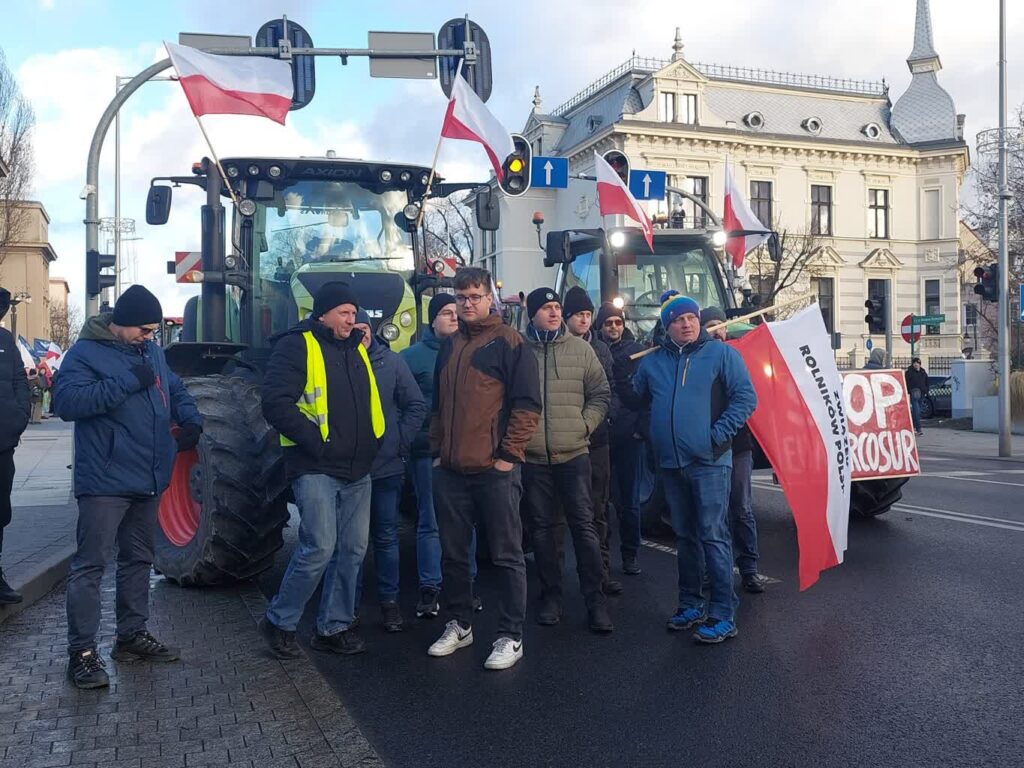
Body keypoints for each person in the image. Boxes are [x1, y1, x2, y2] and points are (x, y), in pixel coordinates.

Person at [53, 285, 203, 689]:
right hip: (104, 481)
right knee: (90, 566)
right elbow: (65, 403)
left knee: (138, 560)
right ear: (119, 323)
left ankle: (130, 636)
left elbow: (174, 387)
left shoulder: (151, 351)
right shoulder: (85, 353)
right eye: (143, 329)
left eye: (153, 331)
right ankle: (82, 654)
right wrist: (126, 382)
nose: (149, 336)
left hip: (148, 476)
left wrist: (190, 420)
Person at [260, 282, 385, 659]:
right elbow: (275, 403)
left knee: (353, 550)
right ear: (324, 313)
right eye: (345, 312)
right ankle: (280, 621)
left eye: (354, 312)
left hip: (357, 469)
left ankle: (334, 626)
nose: (353, 319)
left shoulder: (355, 350)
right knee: (319, 547)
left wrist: (374, 442)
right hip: (315, 465)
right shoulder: (296, 346)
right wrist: (317, 442)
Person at [427, 267, 541, 671]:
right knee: (454, 555)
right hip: (452, 471)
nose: (467, 304)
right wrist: (438, 454)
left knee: (507, 556)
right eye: (461, 297)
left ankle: (511, 635)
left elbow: (528, 406)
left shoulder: (511, 344)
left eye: (475, 296)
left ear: (490, 297)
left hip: (494, 471)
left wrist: (506, 457)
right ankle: (460, 623)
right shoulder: (451, 344)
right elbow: (439, 407)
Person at [634, 291, 756, 644]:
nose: (686, 324)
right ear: (667, 326)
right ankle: (690, 603)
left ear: (698, 320)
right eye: (677, 319)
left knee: (713, 536)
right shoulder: (653, 361)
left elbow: (746, 398)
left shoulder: (721, 354)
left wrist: (715, 437)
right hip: (671, 464)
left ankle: (721, 613)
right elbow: (635, 395)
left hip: (710, 463)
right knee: (686, 537)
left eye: (690, 317)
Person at [521, 288, 613, 633]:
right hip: (533, 459)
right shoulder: (519, 350)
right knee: (543, 531)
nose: (555, 313)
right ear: (532, 313)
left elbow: (601, 393)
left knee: (584, 528)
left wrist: (584, 424)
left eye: (557, 307)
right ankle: (551, 596)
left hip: (573, 454)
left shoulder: (581, 349)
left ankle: (595, 601)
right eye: (547, 308)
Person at [401, 294, 483, 618]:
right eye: (446, 313)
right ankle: (430, 587)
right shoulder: (411, 358)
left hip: (465, 450)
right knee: (430, 520)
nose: (453, 317)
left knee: (465, 522)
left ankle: (468, 583)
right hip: (426, 452)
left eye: (456, 313)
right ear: (432, 320)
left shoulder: (472, 354)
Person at [352, 310, 426, 632]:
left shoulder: (393, 363)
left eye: (365, 328)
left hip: (386, 468)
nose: (361, 334)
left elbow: (415, 405)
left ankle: (389, 603)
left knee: (385, 537)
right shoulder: (338, 363)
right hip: (350, 470)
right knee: (351, 543)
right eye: (355, 328)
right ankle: (348, 608)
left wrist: (400, 443)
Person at [562, 286, 622, 596]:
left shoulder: (601, 350)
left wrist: (598, 419)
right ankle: (557, 580)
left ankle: (602, 574)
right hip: (563, 444)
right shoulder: (554, 347)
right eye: (578, 315)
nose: (584, 320)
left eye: (587, 315)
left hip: (596, 441)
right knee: (561, 515)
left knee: (598, 511)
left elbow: (609, 389)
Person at [701, 307, 763, 594]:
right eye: (709, 326)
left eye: (719, 325)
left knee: (742, 508)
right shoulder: (697, 361)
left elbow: (748, 397)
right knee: (713, 514)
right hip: (708, 448)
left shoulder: (739, 358)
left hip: (737, 446)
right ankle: (714, 572)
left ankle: (749, 568)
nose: (715, 330)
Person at [596, 301, 647, 576]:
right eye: (608, 323)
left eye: (617, 322)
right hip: (602, 435)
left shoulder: (637, 353)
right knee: (600, 499)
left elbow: (645, 393)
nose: (613, 327)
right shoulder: (593, 350)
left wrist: (640, 428)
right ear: (600, 326)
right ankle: (602, 555)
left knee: (629, 500)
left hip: (628, 435)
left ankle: (630, 554)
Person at [0, 288, 31, 606]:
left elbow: (20, 380)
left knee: (0, 512)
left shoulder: (5, 340)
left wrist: (19, 417)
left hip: (3, 443)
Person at [905, 358, 929, 436]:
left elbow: (927, 381)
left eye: (917, 363)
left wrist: (926, 390)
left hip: (922, 393)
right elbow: (906, 382)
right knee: (917, 410)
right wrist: (909, 390)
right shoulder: (909, 372)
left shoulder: (923, 372)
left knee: (918, 411)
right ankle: (919, 429)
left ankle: (913, 426)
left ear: (919, 364)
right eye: (914, 363)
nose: (916, 364)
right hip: (914, 393)